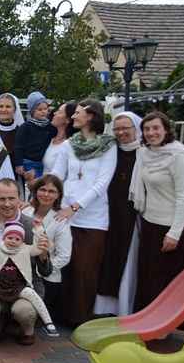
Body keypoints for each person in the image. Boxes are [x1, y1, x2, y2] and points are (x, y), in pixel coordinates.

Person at [51, 99, 117, 324]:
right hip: (64, 214)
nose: (74, 116)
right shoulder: (69, 145)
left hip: (93, 218)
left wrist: (75, 207)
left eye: (78, 113)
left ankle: (80, 317)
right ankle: (61, 313)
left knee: (84, 269)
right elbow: (57, 176)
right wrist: (47, 198)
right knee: (66, 266)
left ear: (91, 117)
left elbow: (101, 184)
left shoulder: (109, 146)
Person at [130, 111, 184, 329]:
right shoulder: (145, 153)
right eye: (147, 129)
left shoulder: (178, 156)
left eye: (156, 128)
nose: (151, 133)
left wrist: (174, 233)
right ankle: (147, 322)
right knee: (148, 277)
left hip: (171, 227)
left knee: (165, 280)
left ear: (166, 129)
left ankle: (164, 325)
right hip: (150, 224)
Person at [0, 178, 52, 345]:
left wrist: (43, 255)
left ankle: (26, 329)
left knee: (24, 311)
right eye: (1, 199)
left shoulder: (33, 226)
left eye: (11, 198)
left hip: (25, 290)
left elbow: (46, 271)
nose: (7, 204)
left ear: (20, 199)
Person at [93, 112, 143, 317]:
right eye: (117, 129)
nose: (121, 133)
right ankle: (105, 307)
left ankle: (127, 306)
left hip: (134, 216)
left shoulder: (145, 152)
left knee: (129, 261)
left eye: (126, 128)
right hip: (110, 212)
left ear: (136, 129)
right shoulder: (110, 150)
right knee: (109, 259)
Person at [21, 174, 72, 307]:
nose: (46, 194)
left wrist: (40, 271)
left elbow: (64, 256)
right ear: (36, 191)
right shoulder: (25, 212)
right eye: (42, 190)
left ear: (58, 195)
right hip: (20, 271)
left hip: (46, 277)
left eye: (51, 191)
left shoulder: (61, 220)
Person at [14, 92, 56, 184]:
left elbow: (56, 129)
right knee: (36, 185)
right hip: (29, 162)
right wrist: (19, 165)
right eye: (39, 109)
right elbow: (18, 146)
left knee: (42, 183)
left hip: (42, 162)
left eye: (45, 109)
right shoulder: (26, 127)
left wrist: (53, 111)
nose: (44, 111)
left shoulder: (48, 126)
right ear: (33, 111)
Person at [0, 93, 25, 192]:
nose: (4, 110)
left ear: (15, 109)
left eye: (8, 106)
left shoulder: (22, 132)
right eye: (1, 106)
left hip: (16, 178)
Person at [42, 102, 77, 177]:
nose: (54, 113)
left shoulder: (70, 145)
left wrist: (35, 182)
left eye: (59, 112)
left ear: (67, 120)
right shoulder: (50, 138)